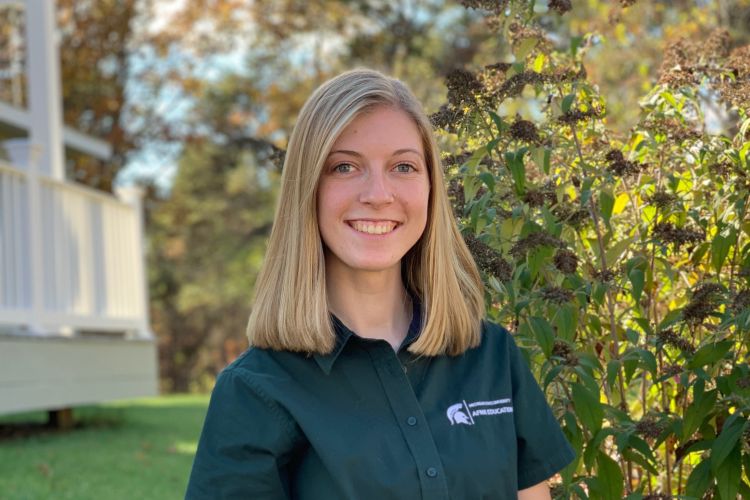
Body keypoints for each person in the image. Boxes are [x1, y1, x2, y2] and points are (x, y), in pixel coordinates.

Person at [185, 68, 575, 499]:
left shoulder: (493, 358)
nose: (378, 193)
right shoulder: (254, 392)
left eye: (403, 166)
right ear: (307, 188)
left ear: (430, 187)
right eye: (345, 166)